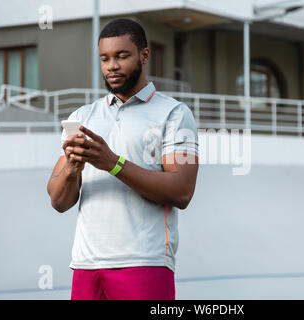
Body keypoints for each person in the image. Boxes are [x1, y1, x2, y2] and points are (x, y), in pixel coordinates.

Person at [46, 18, 199, 300]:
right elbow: (58, 201)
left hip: (144, 262)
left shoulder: (175, 113)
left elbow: (182, 190)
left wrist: (113, 164)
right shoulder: (81, 117)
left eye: (121, 56)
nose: (111, 66)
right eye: (104, 58)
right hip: (86, 265)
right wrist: (71, 168)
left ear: (144, 55)